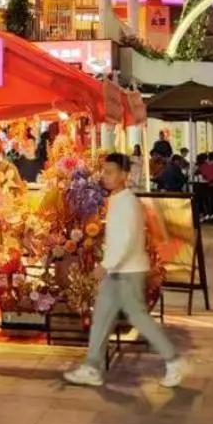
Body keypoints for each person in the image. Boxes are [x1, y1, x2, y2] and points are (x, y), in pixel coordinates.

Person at [62, 153, 186, 389]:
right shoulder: (117, 200)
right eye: (104, 171)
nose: (105, 176)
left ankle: (173, 360)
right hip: (120, 270)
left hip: (127, 272)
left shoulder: (127, 203)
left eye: (110, 172)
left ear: (124, 175)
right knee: (102, 317)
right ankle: (92, 367)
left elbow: (126, 240)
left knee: (137, 317)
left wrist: (106, 265)